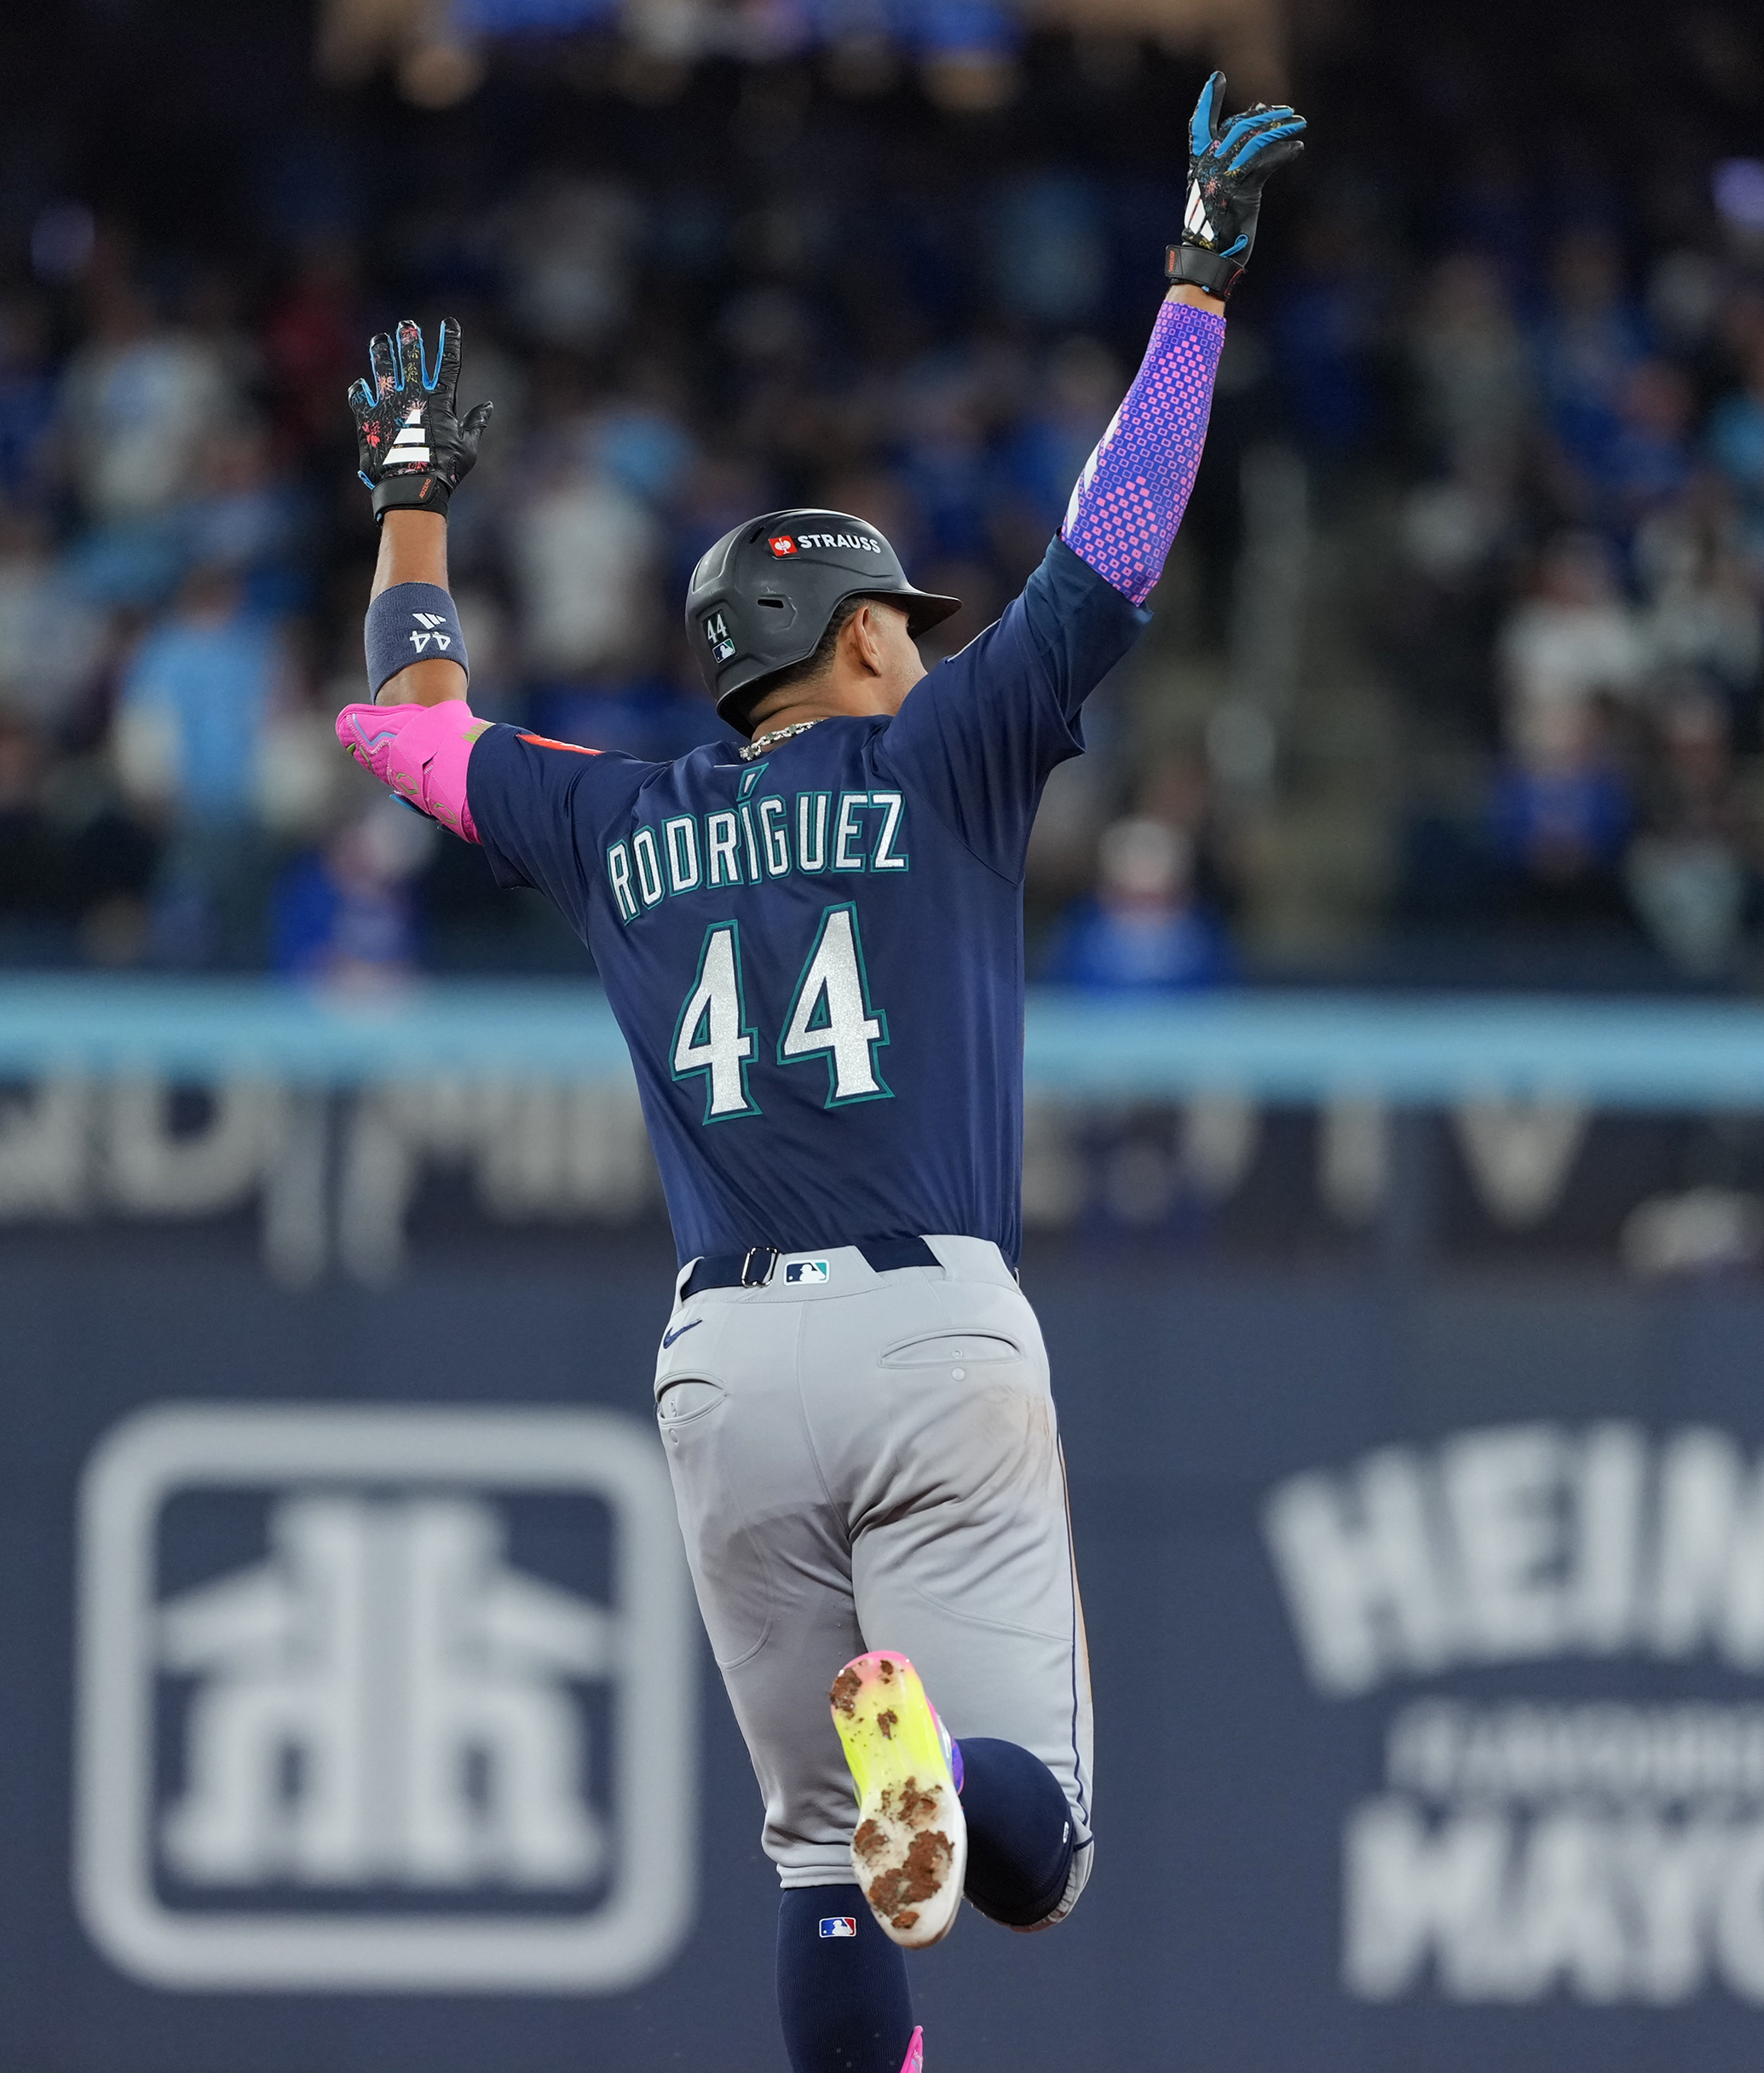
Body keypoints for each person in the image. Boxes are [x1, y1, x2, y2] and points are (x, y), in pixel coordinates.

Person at [331, 75, 1303, 2073]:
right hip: (927, 1324)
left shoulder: (620, 819)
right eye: (896, 614)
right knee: (1033, 1848)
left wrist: (412, 497)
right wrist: (1197, 286)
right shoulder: (942, 756)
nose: (914, 636)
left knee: (816, 1863)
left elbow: (406, 723)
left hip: (718, 1372)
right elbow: (1117, 545)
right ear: (851, 634)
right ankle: (933, 1746)